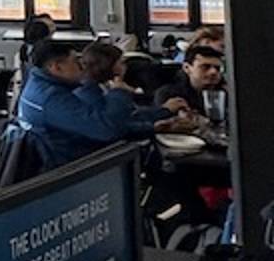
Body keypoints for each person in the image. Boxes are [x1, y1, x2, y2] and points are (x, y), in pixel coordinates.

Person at [11, 40, 192, 171]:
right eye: (75, 62)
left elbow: (103, 124)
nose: (82, 66)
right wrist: (120, 92)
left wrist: (152, 126)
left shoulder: (40, 87)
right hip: (73, 168)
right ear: (57, 67)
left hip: (70, 157)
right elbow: (106, 129)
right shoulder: (52, 98)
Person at [155, 44, 224, 116]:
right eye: (205, 67)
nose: (213, 72)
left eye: (217, 68)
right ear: (187, 68)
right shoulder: (170, 94)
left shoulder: (227, 92)